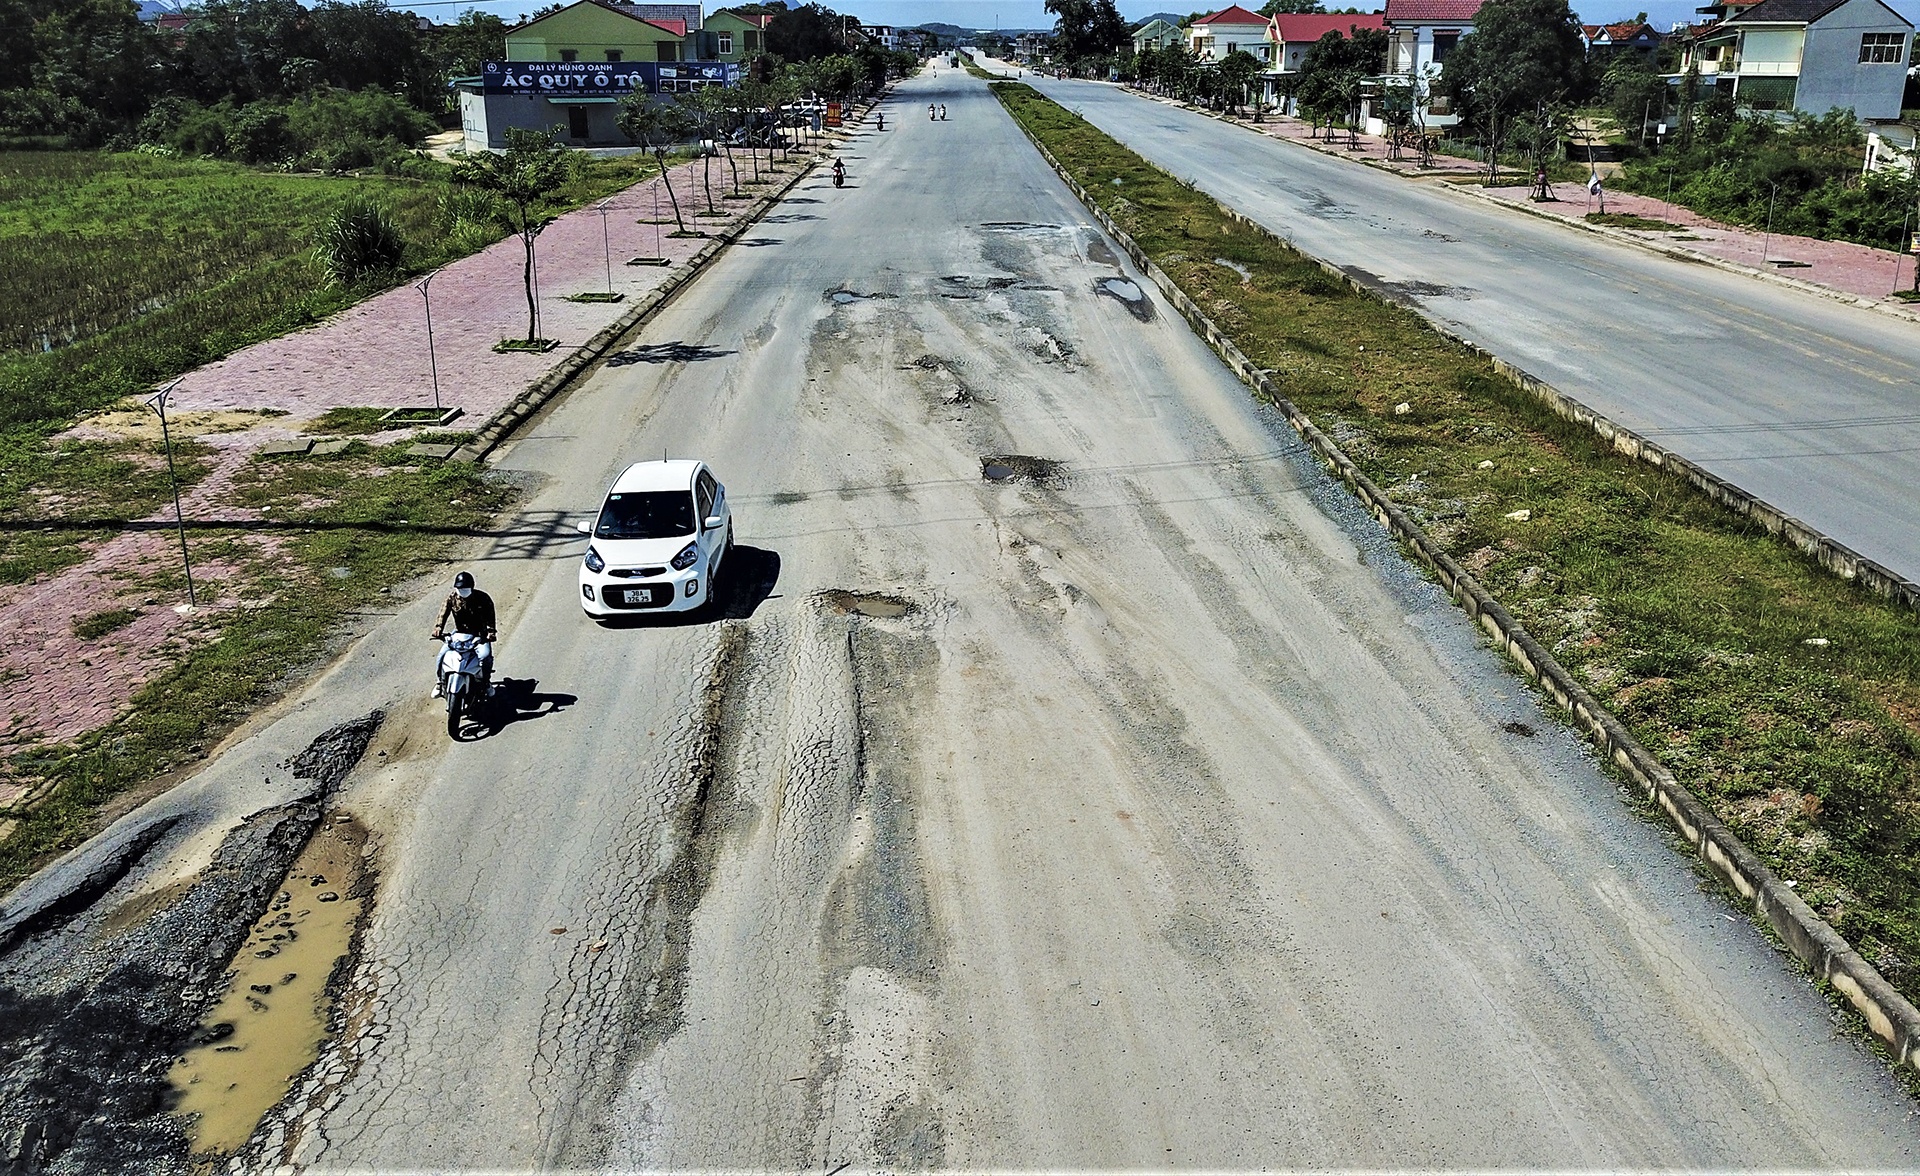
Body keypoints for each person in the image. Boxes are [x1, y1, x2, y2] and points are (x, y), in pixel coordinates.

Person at [431, 571, 496, 696]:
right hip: (459, 635)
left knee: (485, 656)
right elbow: (443, 612)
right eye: (460, 588)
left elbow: (490, 616)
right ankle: (440, 683)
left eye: (465, 588)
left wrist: (490, 632)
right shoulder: (452, 598)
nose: (462, 591)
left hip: (479, 635)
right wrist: (438, 628)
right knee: (441, 656)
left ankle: (486, 683)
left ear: (472, 587)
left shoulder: (483, 598)